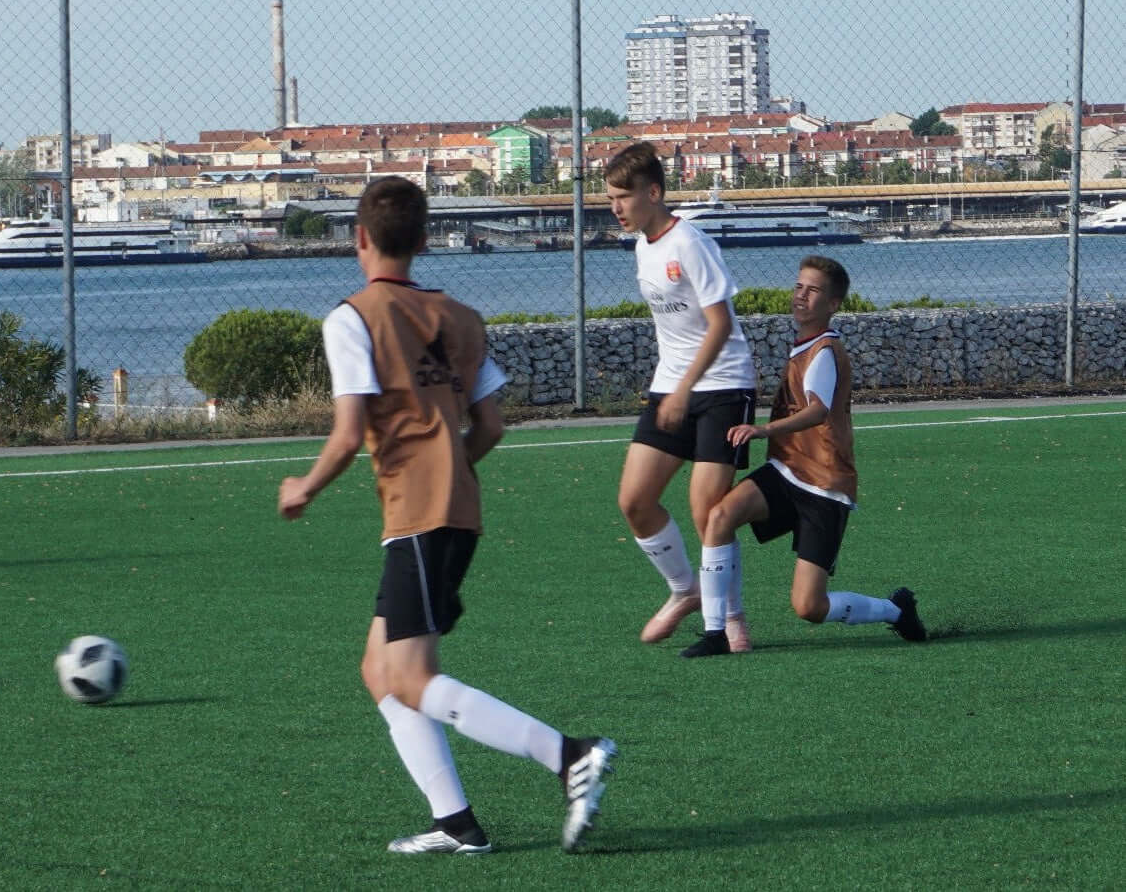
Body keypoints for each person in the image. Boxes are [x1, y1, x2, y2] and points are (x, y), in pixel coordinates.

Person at [278, 177, 616, 854]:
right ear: (425, 239)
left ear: (360, 238)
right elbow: (489, 425)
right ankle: (456, 823)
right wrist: (450, 468)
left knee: (409, 676)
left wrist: (304, 488)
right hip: (453, 504)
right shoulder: (460, 316)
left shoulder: (352, 317)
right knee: (381, 670)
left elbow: (348, 434)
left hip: (417, 510)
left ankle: (568, 754)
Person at [696, 254, 927, 651]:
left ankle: (896, 610)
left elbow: (817, 410)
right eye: (798, 286)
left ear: (833, 304)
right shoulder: (803, 346)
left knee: (809, 607)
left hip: (824, 486)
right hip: (786, 471)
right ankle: (716, 632)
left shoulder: (824, 351)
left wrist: (762, 429)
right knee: (719, 515)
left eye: (813, 290)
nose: (801, 295)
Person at [604, 141, 759, 658]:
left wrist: (685, 388)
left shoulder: (689, 242)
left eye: (623, 197)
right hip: (672, 387)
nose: (616, 207)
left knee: (705, 511)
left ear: (654, 192)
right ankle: (684, 590)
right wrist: (672, 389)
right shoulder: (641, 247)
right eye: (610, 198)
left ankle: (732, 618)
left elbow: (720, 325)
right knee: (634, 501)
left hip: (723, 387)